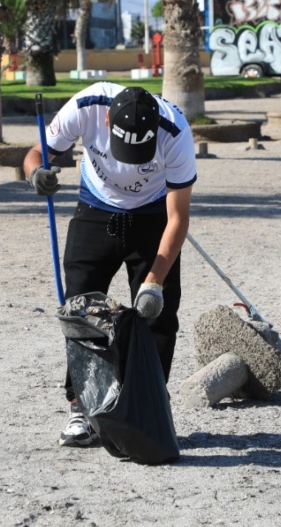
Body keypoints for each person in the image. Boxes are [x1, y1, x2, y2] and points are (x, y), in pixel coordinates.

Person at [22, 83, 197, 448]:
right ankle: (81, 407)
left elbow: (178, 219)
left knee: (160, 317)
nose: (129, 161)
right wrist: (36, 173)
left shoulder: (175, 131)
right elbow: (38, 152)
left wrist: (154, 283)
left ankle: (147, 404)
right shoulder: (86, 105)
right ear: (106, 119)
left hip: (152, 215)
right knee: (81, 308)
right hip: (96, 208)